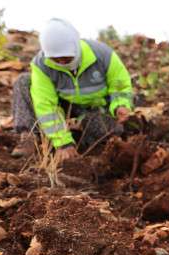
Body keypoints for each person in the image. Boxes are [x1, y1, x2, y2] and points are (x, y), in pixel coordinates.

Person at [11, 19, 134, 159]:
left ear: (76, 47)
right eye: (56, 59)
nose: (62, 62)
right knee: (24, 81)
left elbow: (120, 84)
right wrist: (63, 143)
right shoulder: (41, 64)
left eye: (66, 57)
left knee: (105, 130)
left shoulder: (102, 54)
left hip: (97, 109)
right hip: (65, 107)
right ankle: (30, 137)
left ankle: (84, 134)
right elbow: (45, 105)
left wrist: (120, 105)